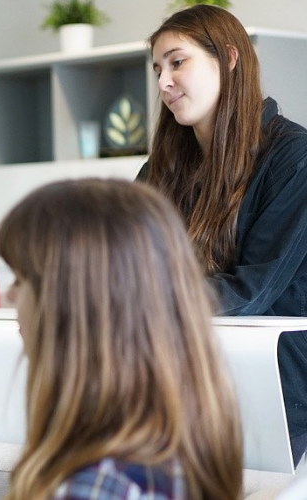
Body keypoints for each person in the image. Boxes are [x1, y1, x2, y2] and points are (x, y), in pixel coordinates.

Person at [0, 179, 243, 500]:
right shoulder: (179, 451)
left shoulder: (95, 488)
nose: (9, 295)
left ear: (73, 305)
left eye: (21, 278)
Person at [138, 5, 307, 460]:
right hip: (183, 372)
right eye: (157, 69)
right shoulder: (162, 168)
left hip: (275, 382)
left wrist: (140, 298)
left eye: (177, 62)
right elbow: (127, 261)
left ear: (229, 58)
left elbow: (252, 291)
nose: (163, 83)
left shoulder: (294, 157)